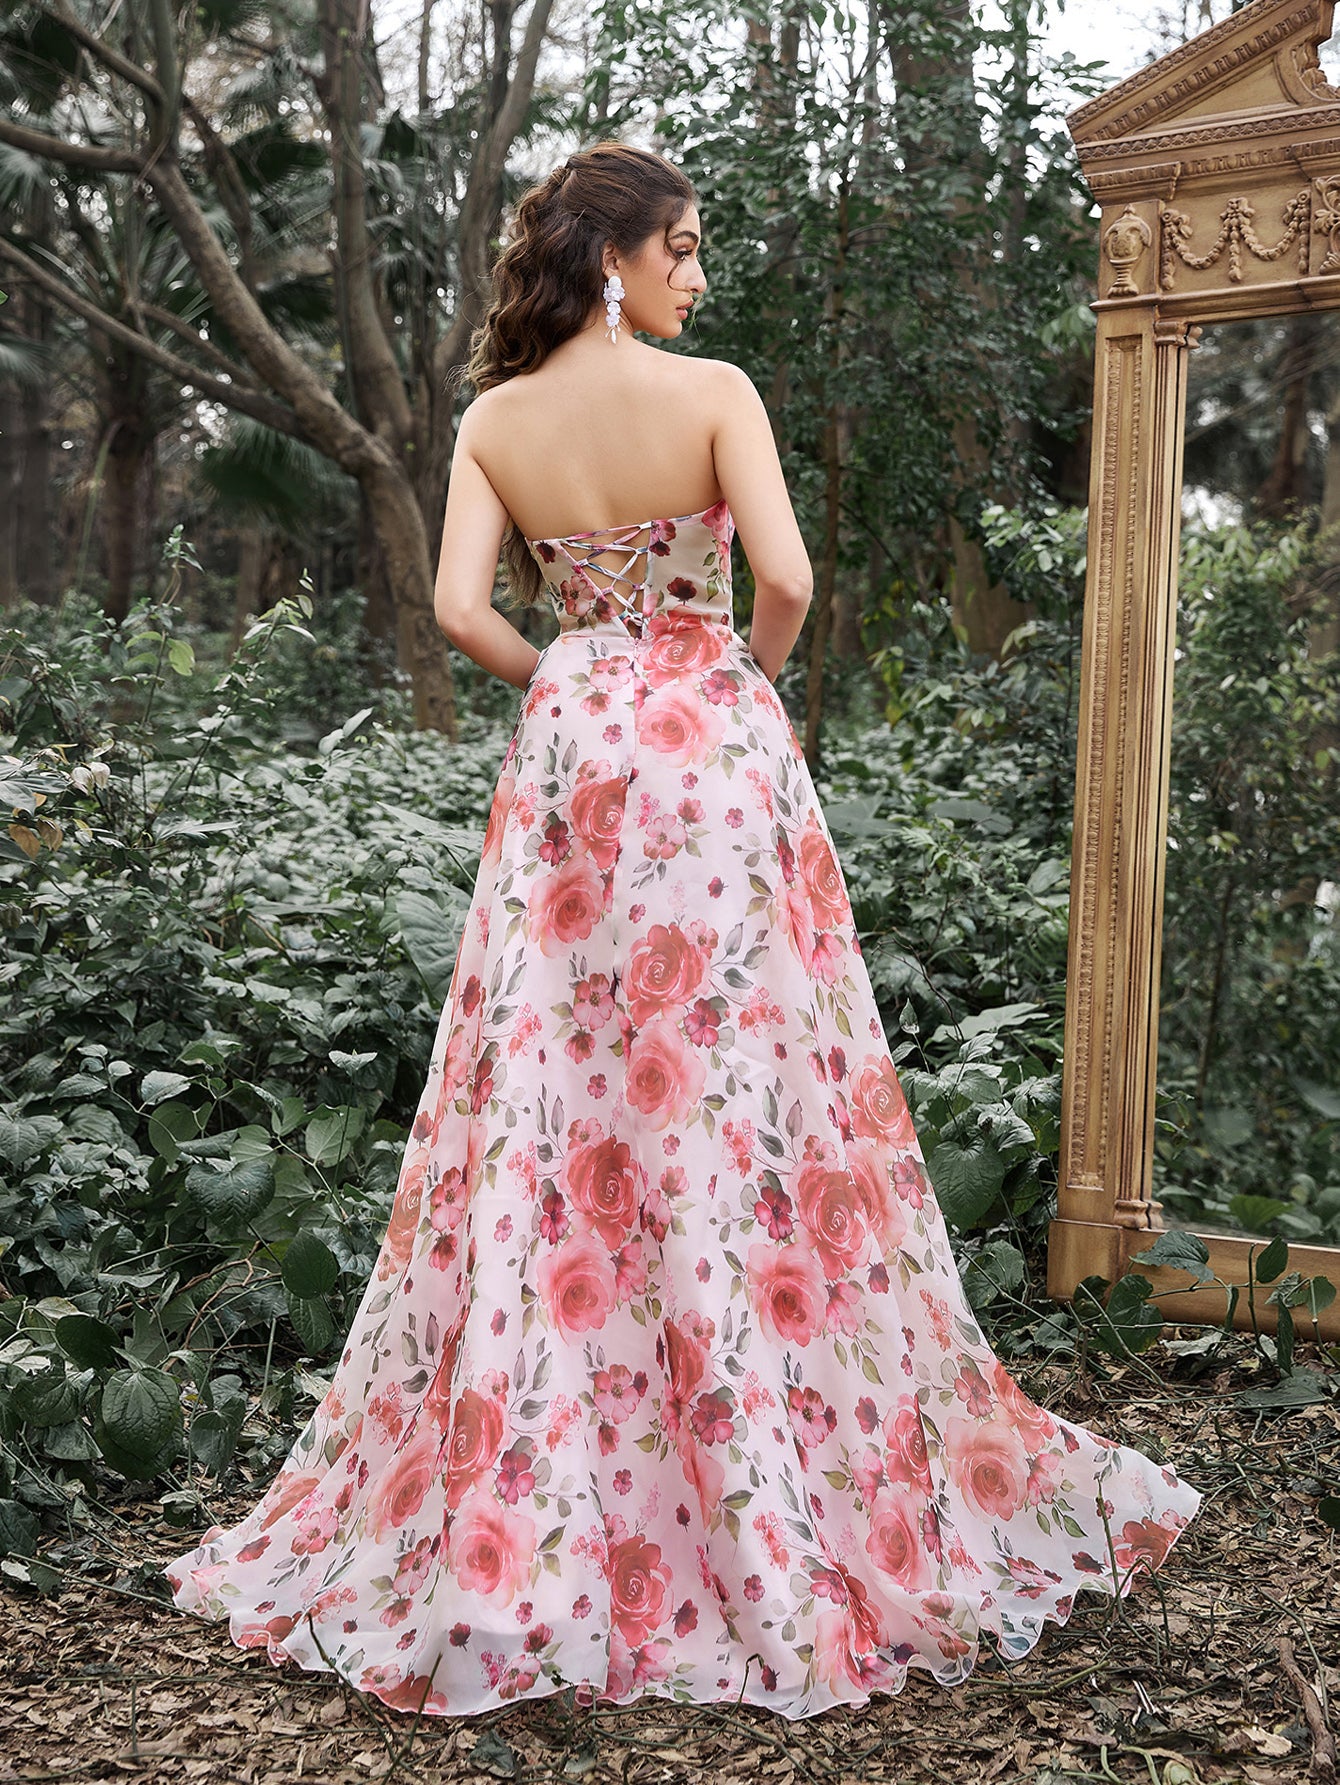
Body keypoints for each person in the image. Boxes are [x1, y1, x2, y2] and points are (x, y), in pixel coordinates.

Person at [164, 140, 1203, 1719]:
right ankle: (758, 1433)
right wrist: (724, 683)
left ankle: (557, 1468)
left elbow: (456, 611)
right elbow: (783, 578)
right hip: (711, 757)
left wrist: (579, 678)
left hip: (574, 760)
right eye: (685, 248)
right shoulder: (713, 394)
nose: (698, 278)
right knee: (740, 1085)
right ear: (614, 259)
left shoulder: (493, 423)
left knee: (563, 1097)